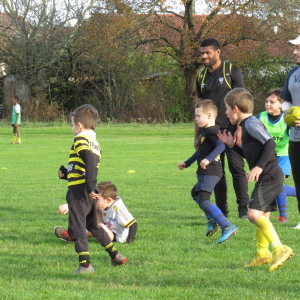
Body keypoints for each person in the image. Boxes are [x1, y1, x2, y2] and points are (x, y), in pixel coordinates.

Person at [218, 88, 293, 271]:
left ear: (235, 108)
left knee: (253, 215)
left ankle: (280, 248)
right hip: (269, 174)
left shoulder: (251, 123)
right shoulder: (247, 125)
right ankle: (262, 255)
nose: (226, 113)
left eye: (227, 109)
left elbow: (270, 143)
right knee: (263, 216)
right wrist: (232, 146)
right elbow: (248, 154)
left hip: (269, 174)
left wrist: (258, 167)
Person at [58, 104, 127, 274]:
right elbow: (86, 167)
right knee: (93, 226)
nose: (72, 128)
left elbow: (88, 161)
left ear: (79, 125)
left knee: (78, 227)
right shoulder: (94, 142)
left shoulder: (80, 139)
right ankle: (115, 255)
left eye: (73, 124)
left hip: (79, 192)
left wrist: (89, 184)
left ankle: (85, 265)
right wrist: (67, 174)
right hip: (86, 189)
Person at [195, 38, 249, 218]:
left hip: (232, 130)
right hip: (211, 133)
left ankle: (243, 210)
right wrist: (197, 136)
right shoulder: (201, 76)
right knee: (217, 173)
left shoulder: (231, 71)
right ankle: (222, 211)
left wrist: (240, 128)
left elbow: (241, 101)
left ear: (218, 52)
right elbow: (199, 108)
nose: (204, 56)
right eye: (202, 53)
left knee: (236, 168)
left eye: (208, 52)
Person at [177, 100, 238, 243]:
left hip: (210, 171)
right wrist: (187, 163)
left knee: (204, 201)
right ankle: (212, 220)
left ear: (209, 115)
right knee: (196, 193)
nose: (196, 119)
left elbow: (221, 146)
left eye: (198, 116)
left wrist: (209, 159)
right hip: (206, 171)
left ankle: (227, 226)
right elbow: (200, 152)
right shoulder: (206, 131)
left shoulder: (212, 131)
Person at [54, 181, 138, 245]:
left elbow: (133, 224)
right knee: (93, 208)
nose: (95, 201)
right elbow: (85, 202)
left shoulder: (118, 208)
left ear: (108, 200)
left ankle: (73, 236)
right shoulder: (106, 203)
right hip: (107, 228)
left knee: (99, 226)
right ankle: (77, 231)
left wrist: (128, 243)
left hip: (116, 236)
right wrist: (69, 205)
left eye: (97, 200)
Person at [258, 88, 297, 223]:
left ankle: (283, 217)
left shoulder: (287, 119)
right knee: (273, 185)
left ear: (281, 105)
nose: (268, 104)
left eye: (272, 102)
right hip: (267, 157)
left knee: (277, 184)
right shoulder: (261, 117)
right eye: (267, 101)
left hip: (283, 156)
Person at [280, 34, 300, 229]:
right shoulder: (293, 73)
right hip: (295, 137)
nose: (294, 52)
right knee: (299, 179)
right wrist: (289, 113)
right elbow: (285, 100)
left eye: (298, 48)